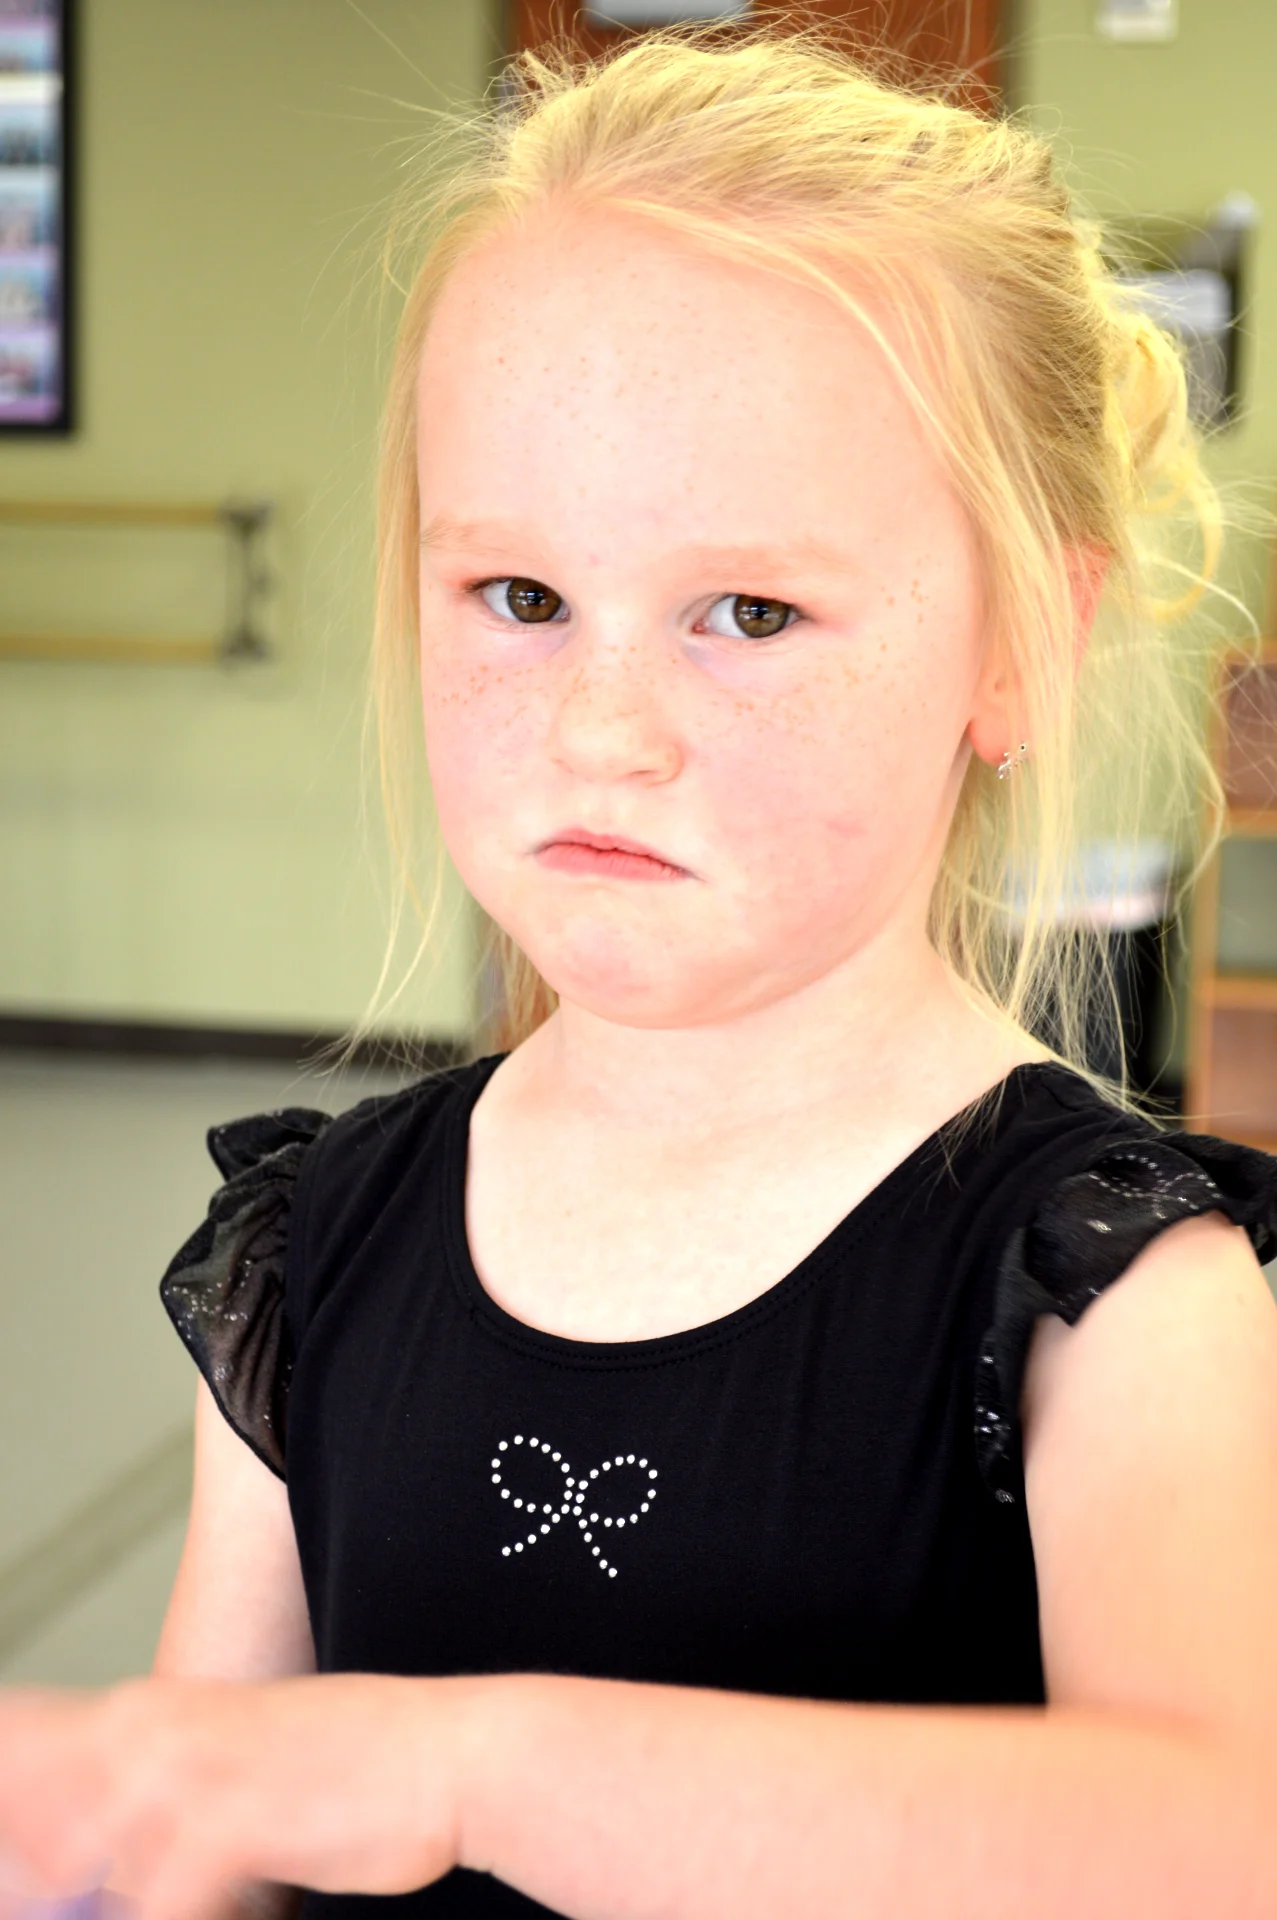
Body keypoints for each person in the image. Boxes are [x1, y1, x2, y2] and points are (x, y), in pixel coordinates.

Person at [3, 24, 1277, 1920]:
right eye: (519, 598)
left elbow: (1216, 1847)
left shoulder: (1116, 1295)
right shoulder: (309, 1248)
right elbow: (206, 1828)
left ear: (1019, 645)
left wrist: (475, 1773)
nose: (601, 730)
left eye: (748, 612)